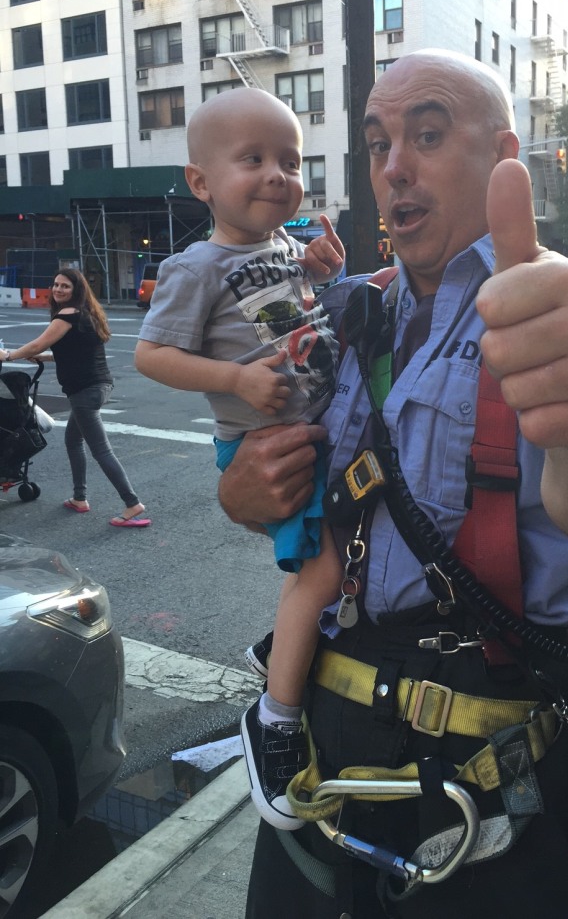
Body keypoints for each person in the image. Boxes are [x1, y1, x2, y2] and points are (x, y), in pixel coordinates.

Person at [218, 49, 568, 919]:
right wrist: (247, 496)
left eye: (427, 134)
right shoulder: (346, 311)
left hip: (489, 791)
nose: (393, 164)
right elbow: (293, 496)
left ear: (504, 155)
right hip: (319, 761)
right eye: (377, 142)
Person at [134, 87, 346, 830]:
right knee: (322, 571)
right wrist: (233, 379)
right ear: (202, 182)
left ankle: (275, 646)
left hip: (315, 429)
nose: (277, 175)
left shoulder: (281, 248)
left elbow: (288, 324)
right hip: (268, 445)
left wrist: (319, 274)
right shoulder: (197, 267)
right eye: (252, 159)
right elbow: (151, 354)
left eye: (289, 160)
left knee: (344, 556)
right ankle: (278, 720)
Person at [0, 269, 150, 526]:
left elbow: (38, 343)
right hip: (98, 386)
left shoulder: (67, 314)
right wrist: (43, 357)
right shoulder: (86, 314)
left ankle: (132, 504)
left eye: (65, 286)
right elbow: (71, 353)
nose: (58, 289)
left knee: (101, 451)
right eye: (56, 284)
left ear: (76, 290)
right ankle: (79, 498)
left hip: (85, 391)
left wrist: (8, 355)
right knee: (73, 441)